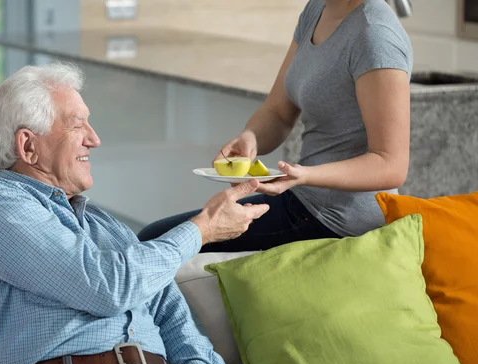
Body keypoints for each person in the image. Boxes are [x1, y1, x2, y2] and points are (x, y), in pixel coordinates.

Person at [0, 63, 269, 364]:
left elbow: (171, 314)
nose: (94, 139)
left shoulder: (106, 225)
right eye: (76, 124)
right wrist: (203, 228)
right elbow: (106, 287)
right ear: (28, 146)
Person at [138, 0, 413, 252]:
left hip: (340, 223)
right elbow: (278, 111)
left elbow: (390, 164)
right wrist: (251, 137)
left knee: (157, 243)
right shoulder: (318, 9)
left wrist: (305, 175)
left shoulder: (375, 35)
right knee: (157, 240)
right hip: (303, 200)